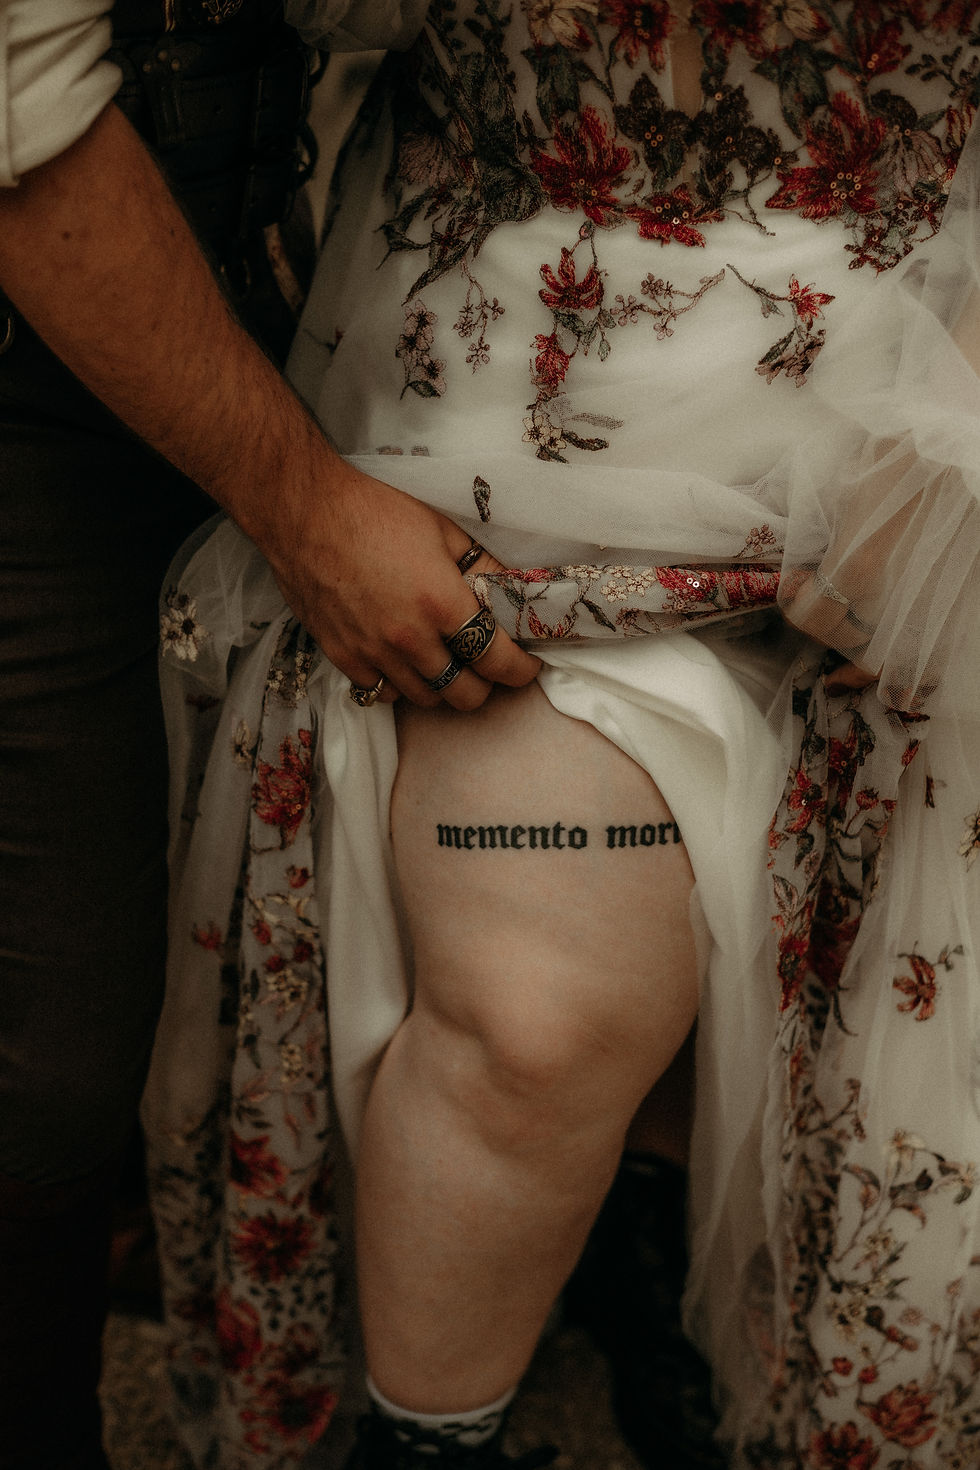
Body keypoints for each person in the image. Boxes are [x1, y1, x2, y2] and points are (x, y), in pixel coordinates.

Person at [145, 1, 980, 1467]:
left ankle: (644, 1244)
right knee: (540, 1016)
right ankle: (431, 1436)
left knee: (829, 914)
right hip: (509, 408)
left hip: (914, 380)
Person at [0, 4, 539, 1468]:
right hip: (25, 347)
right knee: (45, 1065)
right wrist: (305, 511)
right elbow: (17, 109)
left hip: (251, 290)